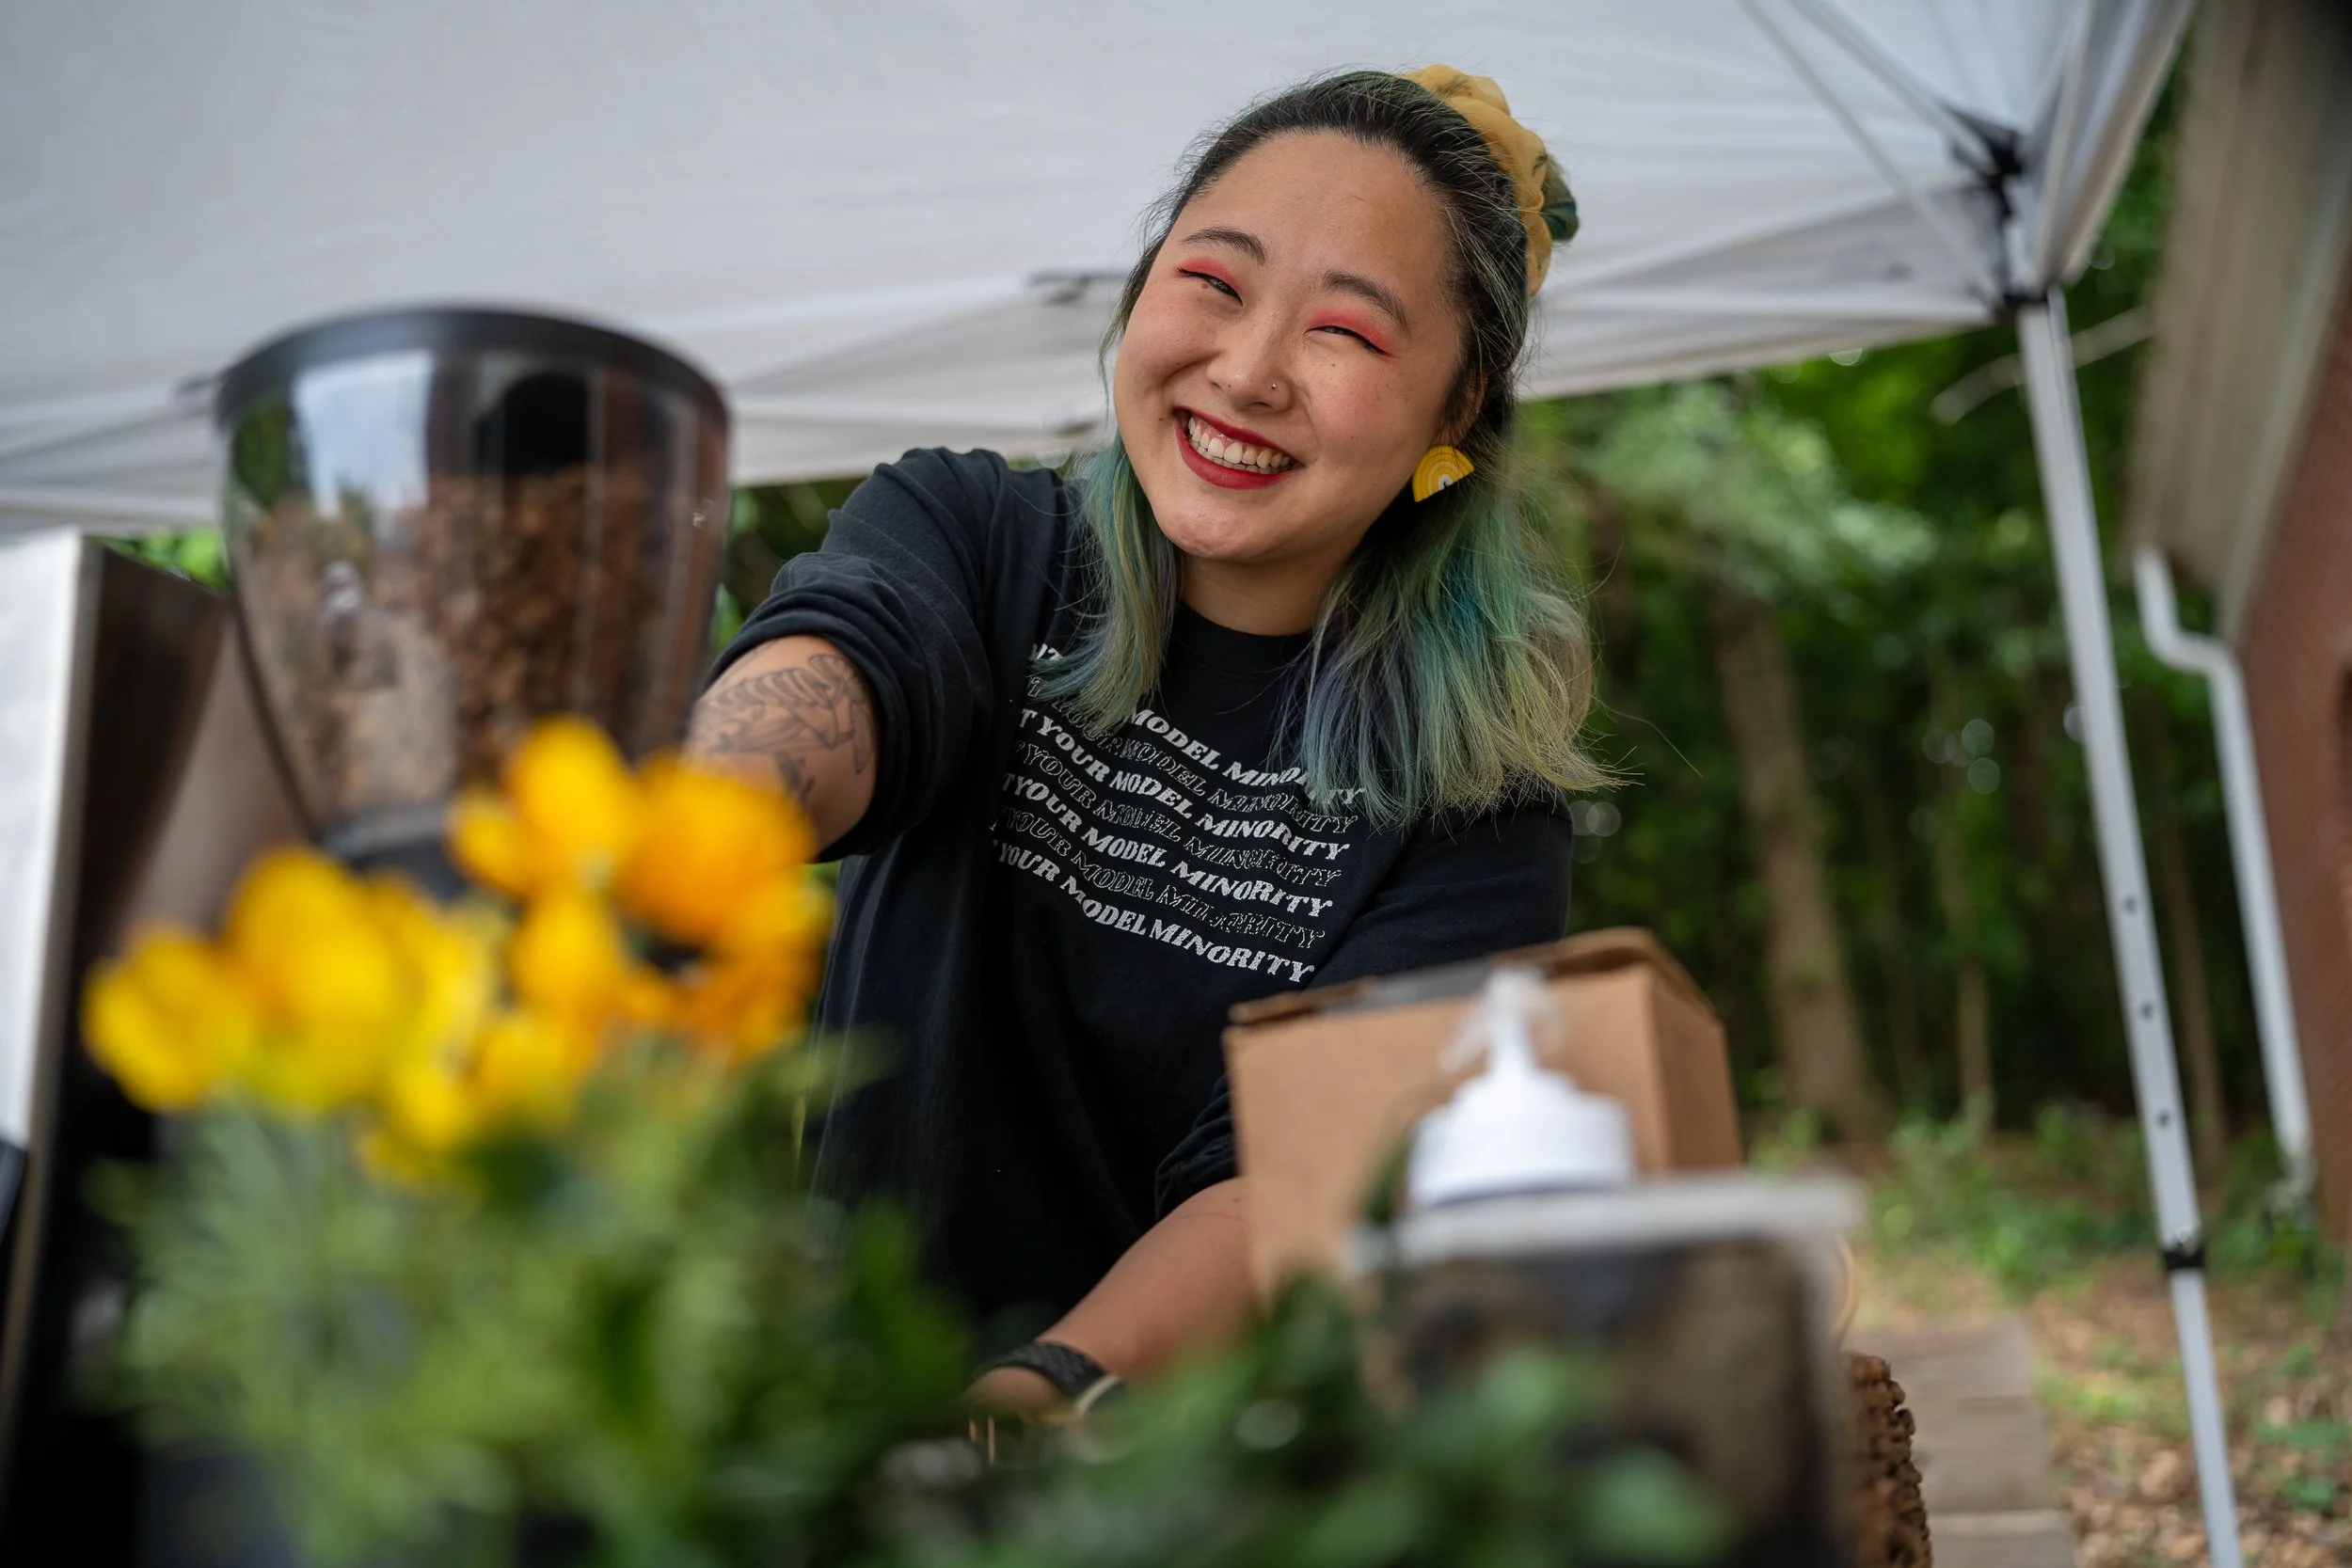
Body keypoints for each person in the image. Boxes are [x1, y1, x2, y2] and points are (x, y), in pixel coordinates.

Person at [687, 67, 1602, 1414]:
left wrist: (1028, 1411)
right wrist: (673, 849)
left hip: (1154, 1485)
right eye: (1214, 284)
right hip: (809, 1410)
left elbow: (1280, 1181)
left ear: (1452, 415)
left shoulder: (1476, 811)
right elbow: (840, 679)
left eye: (1347, 333)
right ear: (1141, 290)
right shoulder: (977, 538)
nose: (1247, 370)